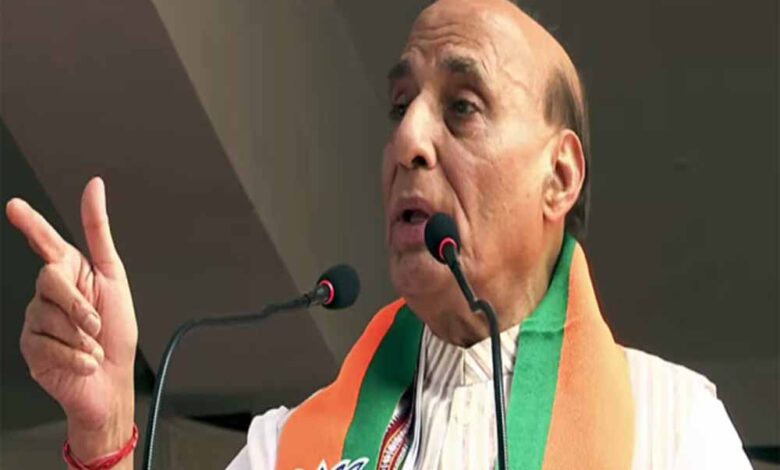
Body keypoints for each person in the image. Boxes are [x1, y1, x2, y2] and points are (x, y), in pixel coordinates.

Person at [4, 0, 753, 469]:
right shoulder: (286, 448)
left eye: (462, 107)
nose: (407, 141)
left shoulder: (672, 428)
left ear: (559, 177)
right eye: (400, 105)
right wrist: (105, 433)